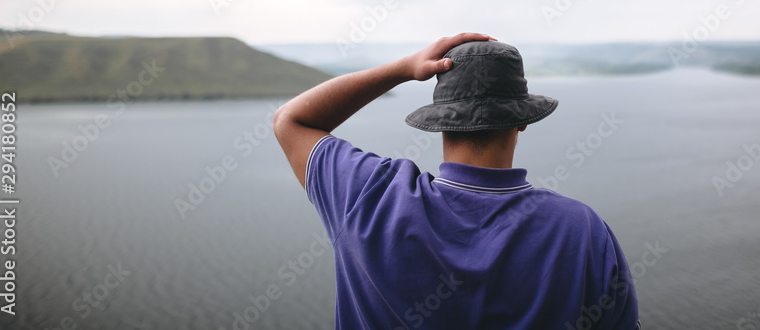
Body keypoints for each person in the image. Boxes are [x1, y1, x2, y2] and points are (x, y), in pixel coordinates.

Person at [274, 32, 640, 329]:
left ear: (440, 120)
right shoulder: (583, 231)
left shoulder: (369, 196)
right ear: (524, 119)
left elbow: (291, 120)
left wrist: (404, 68)